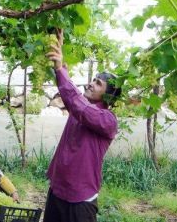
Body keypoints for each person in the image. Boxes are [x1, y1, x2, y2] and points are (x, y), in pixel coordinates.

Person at [43, 29, 122, 222]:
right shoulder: (79, 106)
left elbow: (80, 106)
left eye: (98, 83)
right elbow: (74, 100)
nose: (90, 84)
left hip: (81, 199)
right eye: (93, 80)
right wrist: (61, 69)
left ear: (109, 95)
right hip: (58, 190)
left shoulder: (108, 120)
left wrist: (61, 70)